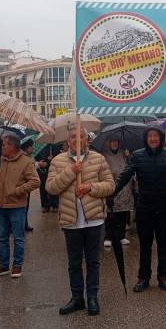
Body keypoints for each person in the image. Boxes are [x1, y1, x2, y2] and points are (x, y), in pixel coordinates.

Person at [46, 127, 115, 316]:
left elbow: (110, 185)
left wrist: (90, 187)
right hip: (71, 221)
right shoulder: (58, 161)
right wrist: (70, 171)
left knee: (93, 261)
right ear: (68, 141)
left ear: (87, 140)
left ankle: (92, 297)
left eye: (81, 136)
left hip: (93, 221)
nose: (77, 140)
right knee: (74, 262)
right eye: (73, 137)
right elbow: (51, 187)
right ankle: (77, 298)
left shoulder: (98, 159)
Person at [115, 127, 166, 291]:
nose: (153, 139)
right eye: (150, 136)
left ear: (161, 138)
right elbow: (125, 175)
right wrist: (112, 190)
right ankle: (143, 278)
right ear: (146, 139)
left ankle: (163, 277)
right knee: (145, 245)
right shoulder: (137, 155)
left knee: (163, 244)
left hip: (164, 207)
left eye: (156, 136)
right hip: (145, 207)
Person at [0, 135, 40, 279]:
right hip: (0, 205)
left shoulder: (26, 162)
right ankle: (3, 265)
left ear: (13, 147)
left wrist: (17, 191)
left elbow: (35, 182)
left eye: (4, 145)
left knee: (18, 238)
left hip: (17, 206)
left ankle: (17, 265)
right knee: (2, 237)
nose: (2, 147)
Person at [101, 139, 134, 249]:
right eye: (112, 141)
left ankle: (121, 236)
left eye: (117, 142)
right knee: (110, 214)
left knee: (123, 214)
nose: (115, 144)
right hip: (112, 187)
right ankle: (108, 237)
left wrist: (128, 157)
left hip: (125, 189)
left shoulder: (124, 154)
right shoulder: (104, 155)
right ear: (109, 143)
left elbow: (130, 168)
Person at [22, 139, 36, 232]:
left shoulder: (28, 157)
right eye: (31, 147)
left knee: (25, 206)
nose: (33, 149)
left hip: (27, 185)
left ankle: (24, 224)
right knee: (23, 206)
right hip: (23, 185)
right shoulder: (24, 158)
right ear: (27, 148)